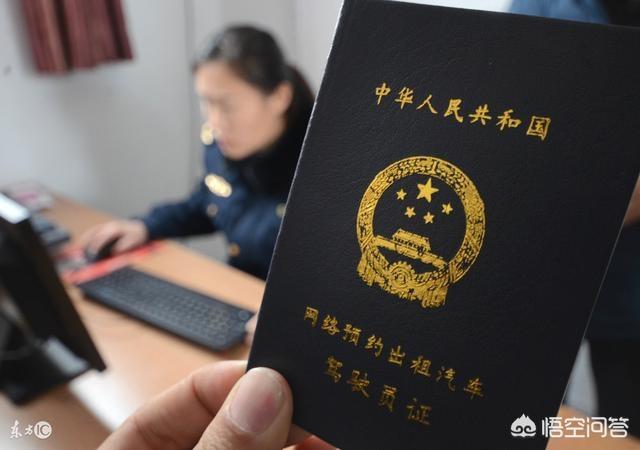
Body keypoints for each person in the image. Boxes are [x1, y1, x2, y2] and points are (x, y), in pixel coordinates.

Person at [80, 25, 314, 280]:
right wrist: (145, 226)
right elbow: (208, 202)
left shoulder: (321, 172)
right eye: (206, 102)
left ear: (280, 97)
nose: (214, 122)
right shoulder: (222, 143)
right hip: (239, 288)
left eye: (227, 105)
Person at [510, 0, 640, 438]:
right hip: (540, 279)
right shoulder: (541, 7)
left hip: (629, 295)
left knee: (625, 421)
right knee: (522, 422)